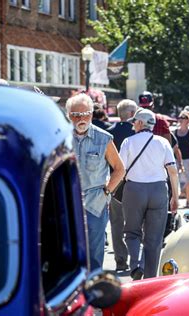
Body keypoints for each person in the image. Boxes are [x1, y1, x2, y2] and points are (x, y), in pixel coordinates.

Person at [66, 93, 125, 271]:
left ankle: (93, 293)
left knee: (94, 255)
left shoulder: (103, 138)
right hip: (67, 204)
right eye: (76, 115)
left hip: (95, 204)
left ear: (92, 114)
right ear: (69, 115)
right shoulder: (62, 137)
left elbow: (120, 169)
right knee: (69, 253)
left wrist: (106, 193)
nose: (81, 118)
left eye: (86, 114)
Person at [119, 109, 179, 279]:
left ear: (139, 123)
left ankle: (137, 264)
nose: (132, 125)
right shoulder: (163, 142)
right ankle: (150, 278)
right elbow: (172, 171)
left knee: (132, 232)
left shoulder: (128, 142)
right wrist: (175, 196)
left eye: (134, 122)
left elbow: (121, 170)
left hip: (134, 190)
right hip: (159, 190)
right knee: (154, 238)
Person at [106, 99, 137, 272]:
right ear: (132, 114)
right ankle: (136, 259)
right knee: (136, 222)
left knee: (116, 223)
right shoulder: (137, 134)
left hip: (114, 183)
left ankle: (120, 259)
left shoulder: (107, 133)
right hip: (135, 182)